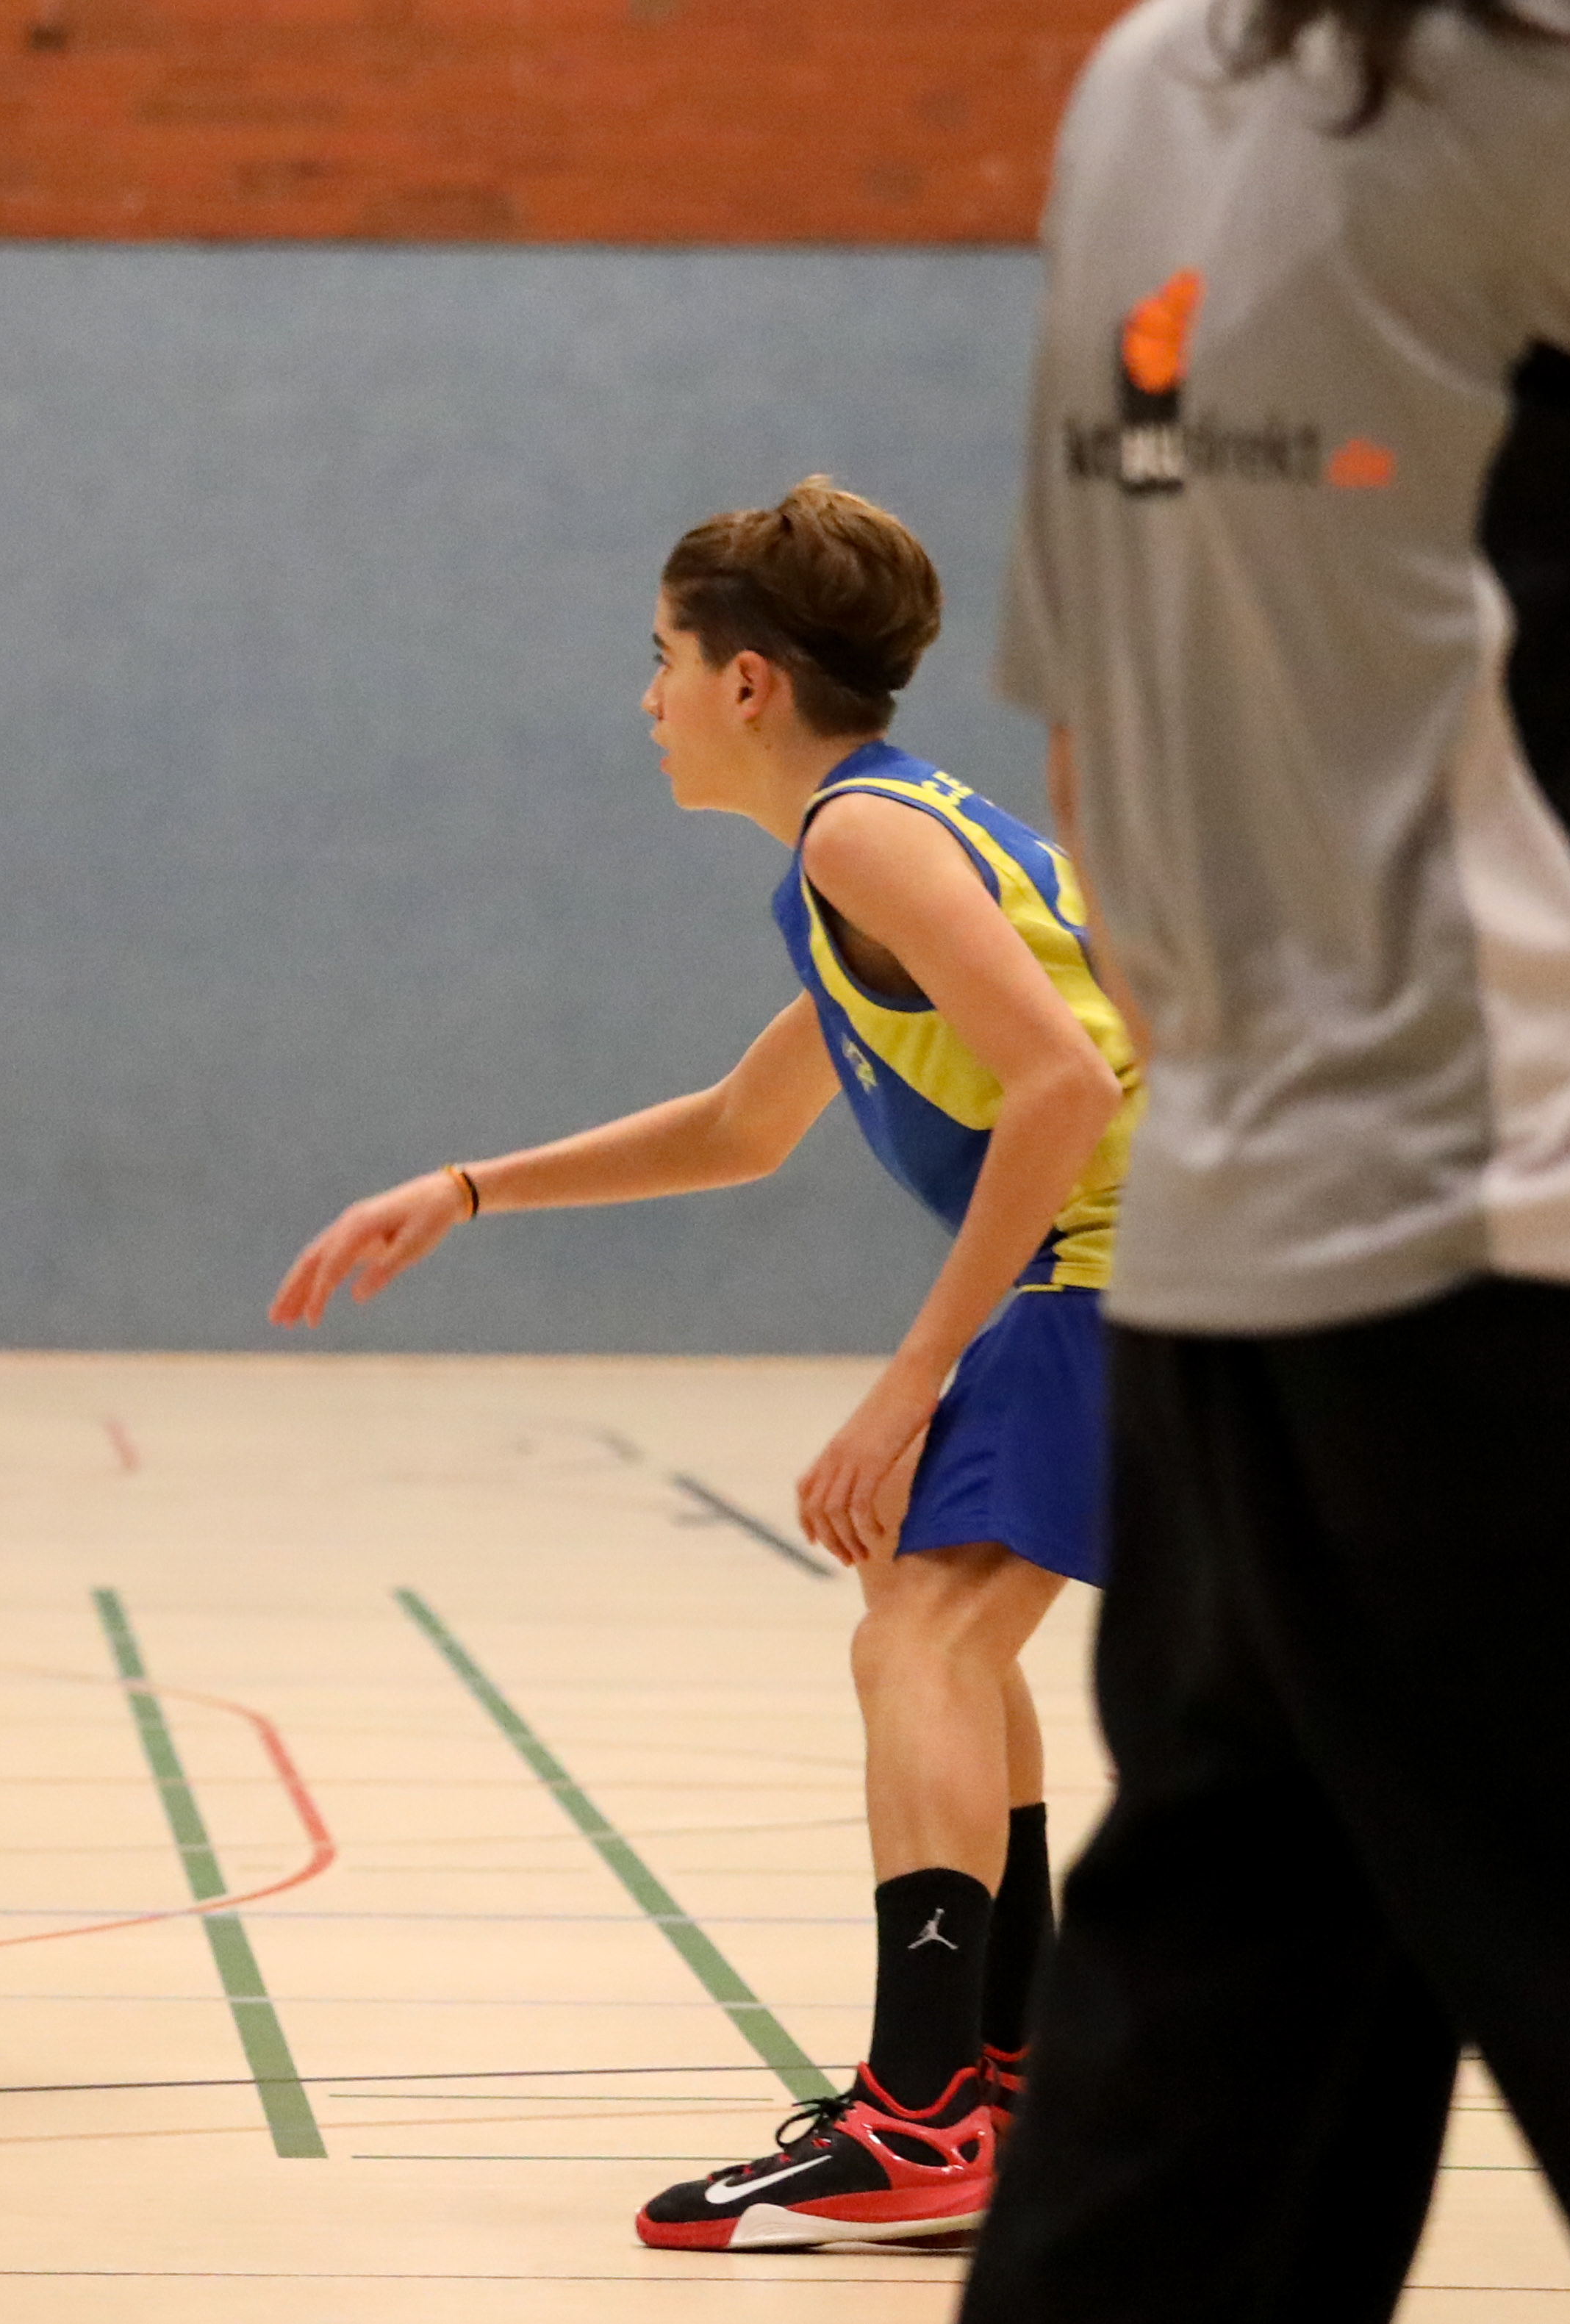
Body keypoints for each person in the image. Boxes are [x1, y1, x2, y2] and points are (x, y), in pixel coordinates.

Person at [961, 4, 1570, 2316]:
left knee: (1189, 2162)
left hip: (1229, 1304)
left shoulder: (1142, 90)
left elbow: (1075, 717)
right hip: (1542, 1269)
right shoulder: (1549, 100)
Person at [272, 478, 1140, 2248]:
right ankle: (1009, 2070)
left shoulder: (859, 839)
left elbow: (1060, 1086)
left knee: (918, 1634)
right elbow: (746, 1124)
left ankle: (919, 2119)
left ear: (746, 682)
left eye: (660, 657)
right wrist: (466, 1187)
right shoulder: (887, 834)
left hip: (1126, 1263)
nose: (646, 695)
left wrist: (910, 1376)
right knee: (933, 1618)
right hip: (1138, 1262)